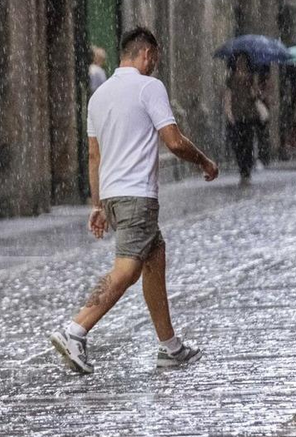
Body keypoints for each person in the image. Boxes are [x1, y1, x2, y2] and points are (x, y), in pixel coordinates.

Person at [49, 27, 218, 374]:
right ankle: (75, 329)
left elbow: (93, 156)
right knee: (126, 269)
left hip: (113, 195)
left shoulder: (99, 96)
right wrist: (203, 160)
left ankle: (170, 347)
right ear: (145, 54)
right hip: (137, 195)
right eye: (154, 57)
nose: (155, 64)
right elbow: (173, 140)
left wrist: (97, 205)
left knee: (154, 258)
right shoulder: (149, 87)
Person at [224, 54, 260, 186]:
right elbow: (227, 96)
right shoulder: (231, 80)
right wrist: (229, 114)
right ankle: (242, 169)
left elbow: (255, 96)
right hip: (237, 116)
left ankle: (247, 171)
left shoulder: (251, 79)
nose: (241, 65)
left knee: (248, 144)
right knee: (238, 145)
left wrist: (253, 86)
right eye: (239, 62)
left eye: (244, 62)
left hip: (249, 116)